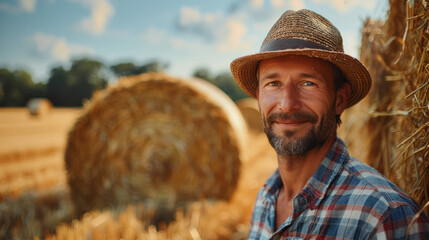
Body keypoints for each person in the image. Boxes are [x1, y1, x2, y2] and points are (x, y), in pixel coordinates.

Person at [230, 9, 429, 239]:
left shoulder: (384, 217)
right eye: (273, 83)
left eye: (308, 83)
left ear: (339, 100)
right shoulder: (265, 198)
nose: (287, 104)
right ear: (258, 97)